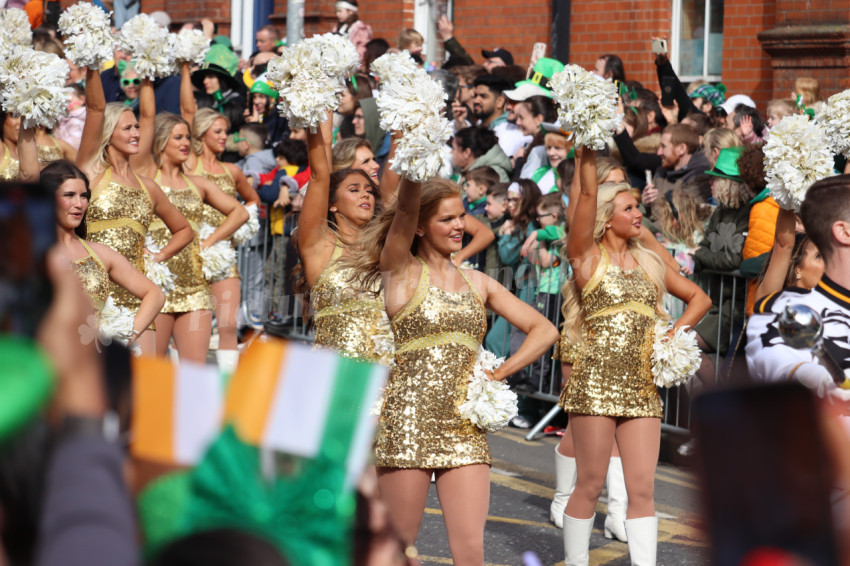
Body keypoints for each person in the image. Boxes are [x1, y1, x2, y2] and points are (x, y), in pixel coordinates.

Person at [342, 171, 558, 564]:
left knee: (471, 549)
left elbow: (545, 330)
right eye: (447, 219)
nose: (459, 225)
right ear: (420, 226)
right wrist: (415, 158)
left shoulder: (478, 282)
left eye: (461, 216)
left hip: (465, 428)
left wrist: (497, 374)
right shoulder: (401, 272)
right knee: (397, 547)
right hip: (408, 424)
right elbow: (403, 210)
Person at [559, 148, 710, 564]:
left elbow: (700, 298)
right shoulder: (587, 259)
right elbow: (585, 197)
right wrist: (585, 148)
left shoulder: (649, 262)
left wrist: (672, 335)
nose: (639, 213)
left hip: (642, 386)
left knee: (642, 489)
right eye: (628, 208)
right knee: (590, 484)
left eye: (637, 207)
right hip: (595, 385)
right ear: (607, 218)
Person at [75, 68, 194, 356]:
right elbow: (95, 108)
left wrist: (159, 256)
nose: (136, 133)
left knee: (144, 381)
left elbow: (184, 230)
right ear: (108, 133)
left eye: (137, 127)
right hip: (95, 295)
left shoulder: (148, 187)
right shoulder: (91, 173)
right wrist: (92, 64)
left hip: (139, 299)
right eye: (127, 128)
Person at [17, 128, 165, 344]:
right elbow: (28, 176)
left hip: (92, 358)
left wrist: (125, 335)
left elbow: (155, 294)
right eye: (69, 195)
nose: (79, 204)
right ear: (48, 199)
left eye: (84, 196)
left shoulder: (100, 253)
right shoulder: (32, 252)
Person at [135, 105, 249, 363]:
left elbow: (240, 212)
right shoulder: (145, 180)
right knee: (151, 369)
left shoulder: (198, 184)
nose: (186, 143)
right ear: (161, 141)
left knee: (194, 373)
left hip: (195, 288)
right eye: (178, 137)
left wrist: (209, 241)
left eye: (187, 137)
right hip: (156, 287)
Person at [182, 61, 260, 372]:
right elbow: (187, 112)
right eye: (218, 131)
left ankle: (227, 383)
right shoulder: (189, 164)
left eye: (226, 131)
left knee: (227, 324)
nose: (224, 136)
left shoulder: (232, 170)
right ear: (201, 134)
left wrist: (242, 228)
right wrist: (185, 68)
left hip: (223, 253)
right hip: (191, 250)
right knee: (193, 323)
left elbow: (252, 202)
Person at [746, 175, 850, 404]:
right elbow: (783, 244)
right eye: (819, 257)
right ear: (797, 270)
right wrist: (789, 184)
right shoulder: (779, 308)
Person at [296, 112, 386, 361]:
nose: (365, 195)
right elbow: (319, 175)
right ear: (332, 204)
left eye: (369, 191)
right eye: (354, 190)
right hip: (333, 372)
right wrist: (319, 106)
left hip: (379, 375)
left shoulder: (384, 248)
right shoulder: (320, 245)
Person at [0, 110, 21, 181]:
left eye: (24, 117)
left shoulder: (34, 153)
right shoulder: (1, 151)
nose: (20, 122)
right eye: (15, 116)